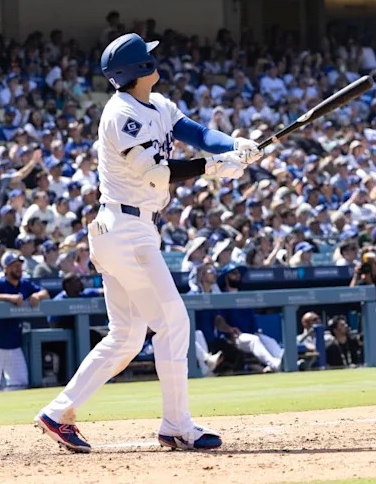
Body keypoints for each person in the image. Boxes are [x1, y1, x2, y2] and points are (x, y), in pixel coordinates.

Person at [35, 33, 259, 453]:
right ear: (136, 70)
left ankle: (57, 412)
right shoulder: (121, 113)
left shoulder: (158, 104)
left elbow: (195, 131)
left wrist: (235, 145)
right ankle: (177, 425)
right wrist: (214, 169)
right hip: (126, 229)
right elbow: (155, 173)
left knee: (126, 336)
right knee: (173, 322)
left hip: (126, 230)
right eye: (149, 58)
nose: (156, 61)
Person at [0, 252, 50, 392]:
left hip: (13, 343)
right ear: (6, 268)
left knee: (20, 382)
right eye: (14, 266)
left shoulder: (25, 284)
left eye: (19, 265)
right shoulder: (0, 283)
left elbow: (45, 292)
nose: (18, 268)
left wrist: (37, 295)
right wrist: (9, 298)